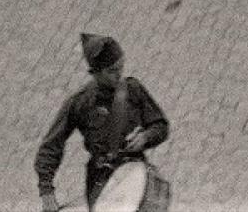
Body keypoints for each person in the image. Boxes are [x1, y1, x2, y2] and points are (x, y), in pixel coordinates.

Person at [33, 34, 169, 212]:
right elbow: (50, 147)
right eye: (112, 70)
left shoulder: (133, 89)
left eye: (121, 66)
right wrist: (46, 191)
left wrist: (146, 137)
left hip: (135, 174)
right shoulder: (80, 102)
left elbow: (161, 126)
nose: (119, 73)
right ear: (95, 73)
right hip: (101, 182)